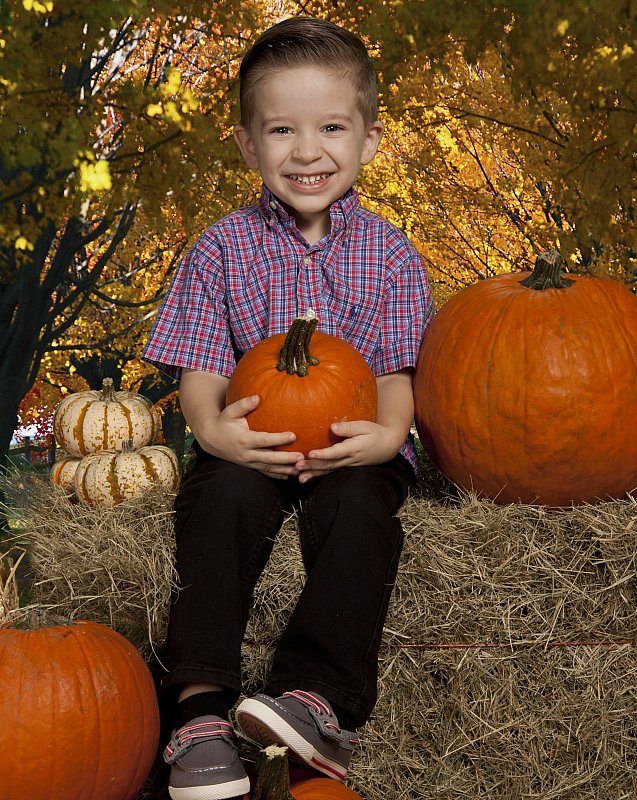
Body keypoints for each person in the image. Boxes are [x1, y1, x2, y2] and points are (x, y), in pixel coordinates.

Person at [143, 15, 434, 800]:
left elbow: (400, 373)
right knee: (218, 502)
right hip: (255, 447)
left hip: (349, 450)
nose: (308, 152)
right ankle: (199, 710)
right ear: (248, 144)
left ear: (370, 139)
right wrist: (215, 433)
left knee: (360, 515)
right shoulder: (218, 249)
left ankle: (315, 699)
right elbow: (201, 373)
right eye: (282, 130)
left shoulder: (396, 256)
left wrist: (387, 437)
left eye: (332, 127)